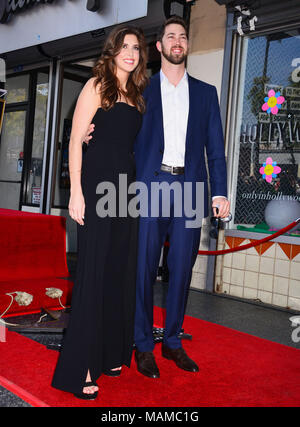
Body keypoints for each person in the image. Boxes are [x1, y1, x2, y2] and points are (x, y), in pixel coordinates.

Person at [85, 16, 230, 379]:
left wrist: (221, 192)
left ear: (186, 46)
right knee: (143, 269)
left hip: (190, 189)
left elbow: (216, 149)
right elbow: (118, 127)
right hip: (148, 187)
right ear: (160, 47)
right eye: (170, 37)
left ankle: (174, 343)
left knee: (181, 270)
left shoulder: (206, 93)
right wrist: (92, 134)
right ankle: (143, 344)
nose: (177, 41)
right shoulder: (141, 90)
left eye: (183, 36)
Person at [51, 25, 148, 399]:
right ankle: (84, 365)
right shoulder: (96, 85)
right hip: (96, 185)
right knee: (94, 271)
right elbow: (75, 140)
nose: (130, 53)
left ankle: (109, 351)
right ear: (112, 51)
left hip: (125, 190)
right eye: (124, 47)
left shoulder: (136, 93)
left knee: (118, 268)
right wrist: (75, 191)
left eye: (136, 48)